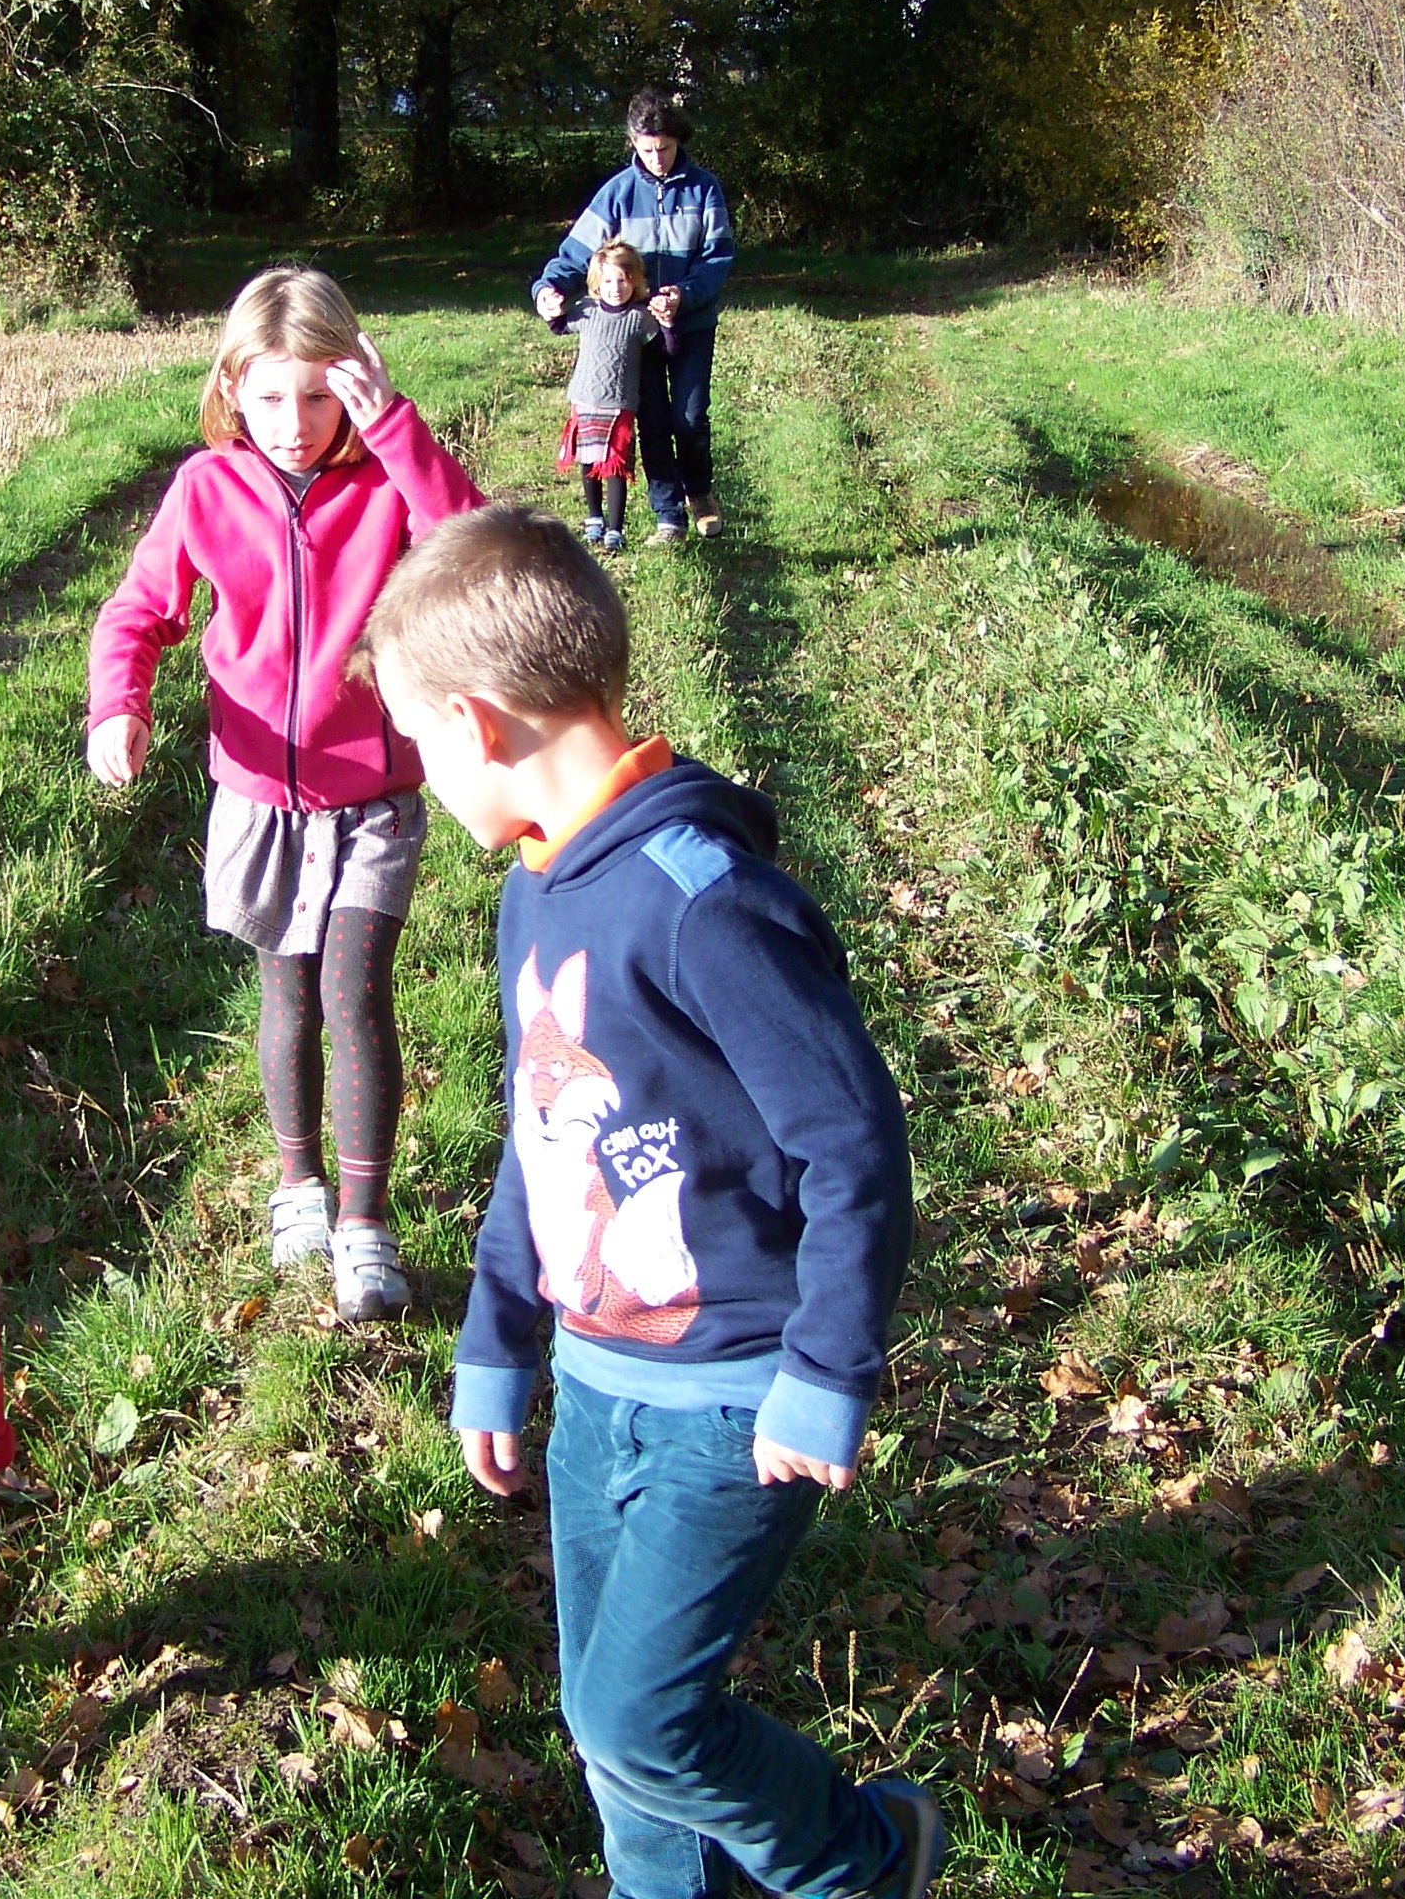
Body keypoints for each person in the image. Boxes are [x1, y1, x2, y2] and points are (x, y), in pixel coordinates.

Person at [358, 506, 942, 1899]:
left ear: (479, 722)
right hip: (594, 1381)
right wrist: (498, 1344)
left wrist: (827, 1369)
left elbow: (853, 1144)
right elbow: (539, 1143)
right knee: (608, 1730)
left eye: (421, 748)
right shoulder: (536, 889)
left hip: (738, 1397)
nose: (421, 781)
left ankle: (865, 1858)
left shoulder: (704, 901)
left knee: (641, 1716)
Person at [85, 265, 485, 1321]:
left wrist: (394, 429)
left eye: (320, 395)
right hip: (259, 793)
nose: (296, 424)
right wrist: (117, 706)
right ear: (232, 387)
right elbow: (136, 612)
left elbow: (474, 548)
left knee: (356, 990)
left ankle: (364, 1221)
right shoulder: (206, 490)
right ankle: (298, 1184)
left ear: (354, 386)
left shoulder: (387, 479)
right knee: (289, 991)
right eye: (270, 397)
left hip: (375, 793)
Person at [533, 90, 736, 544]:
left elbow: (717, 258)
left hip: (691, 324)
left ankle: (699, 492)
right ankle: (668, 517)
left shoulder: (704, 188)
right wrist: (547, 288)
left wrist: (682, 296)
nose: (658, 157)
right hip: (634, 334)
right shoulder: (616, 194)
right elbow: (575, 253)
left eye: (665, 147)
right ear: (633, 143)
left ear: (677, 140)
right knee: (653, 420)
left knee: (690, 416)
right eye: (647, 149)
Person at [550, 239, 675, 552]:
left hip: (619, 403)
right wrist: (552, 303)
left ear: (635, 282)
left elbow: (666, 349)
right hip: (585, 398)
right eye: (607, 281)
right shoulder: (586, 311)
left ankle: (615, 529)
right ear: (596, 283)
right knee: (588, 460)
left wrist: (669, 325)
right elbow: (559, 326)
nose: (615, 288)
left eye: (623, 280)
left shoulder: (639, 318)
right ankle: (594, 518)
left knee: (615, 465)